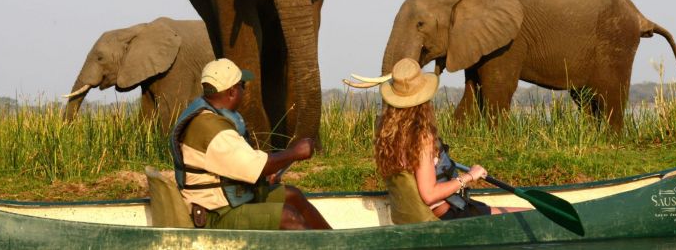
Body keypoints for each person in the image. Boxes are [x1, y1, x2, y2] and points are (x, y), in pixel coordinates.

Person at [170, 58, 331, 230]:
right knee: (288, 217)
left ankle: (339, 243)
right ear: (232, 92)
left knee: (292, 196)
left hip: (227, 200)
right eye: (242, 86)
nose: (244, 90)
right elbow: (259, 166)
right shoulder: (212, 129)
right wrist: (296, 152)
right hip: (215, 214)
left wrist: (260, 176)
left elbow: (238, 163)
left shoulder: (210, 118)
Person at [369, 58, 526, 223]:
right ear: (423, 100)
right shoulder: (421, 139)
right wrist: (469, 176)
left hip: (409, 217)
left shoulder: (387, 137)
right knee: (529, 214)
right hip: (446, 215)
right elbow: (430, 195)